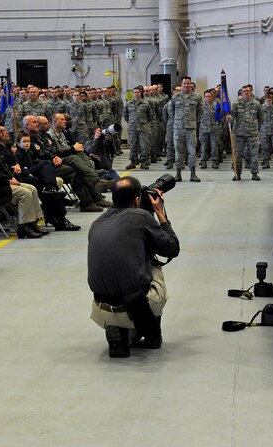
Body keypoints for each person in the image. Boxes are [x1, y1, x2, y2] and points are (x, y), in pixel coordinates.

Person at [87, 177, 180, 358]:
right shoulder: (141, 217)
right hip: (136, 305)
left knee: (128, 272)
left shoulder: (96, 223)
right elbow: (172, 248)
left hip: (101, 308)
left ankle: (122, 335)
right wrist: (160, 213)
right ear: (137, 199)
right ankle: (153, 335)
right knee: (153, 267)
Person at [168, 76, 203, 182]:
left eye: (188, 83)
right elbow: (170, 110)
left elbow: (200, 111)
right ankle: (178, 174)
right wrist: (177, 121)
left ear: (191, 84)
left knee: (192, 152)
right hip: (178, 129)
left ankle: (193, 174)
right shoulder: (175, 97)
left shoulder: (197, 97)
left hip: (191, 129)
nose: (186, 85)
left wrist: (193, 121)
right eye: (184, 83)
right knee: (178, 152)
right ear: (181, 84)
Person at [227, 84, 264, 181]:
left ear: (251, 91)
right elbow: (232, 116)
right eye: (244, 91)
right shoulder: (236, 103)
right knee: (237, 154)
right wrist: (229, 118)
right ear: (241, 92)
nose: (246, 92)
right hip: (239, 133)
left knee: (254, 154)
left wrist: (256, 129)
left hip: (252, 134)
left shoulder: (257, 104)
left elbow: (261, 119)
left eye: (247, 91)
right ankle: (237, 173)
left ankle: (254, 173)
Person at [123, 86, 154, 170]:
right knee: (133, 145)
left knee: (144, 145)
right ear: (133, 93)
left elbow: (150, 116)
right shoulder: (128, 104)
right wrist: (131, 122)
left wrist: (144, 122)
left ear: (141, 93)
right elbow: (125, 115)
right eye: (135, 92)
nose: (136, 94)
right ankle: (133, 162)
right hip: (132, 129)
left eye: (138, 92)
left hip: (143, 128)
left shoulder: (145, 104)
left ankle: (143, 162)